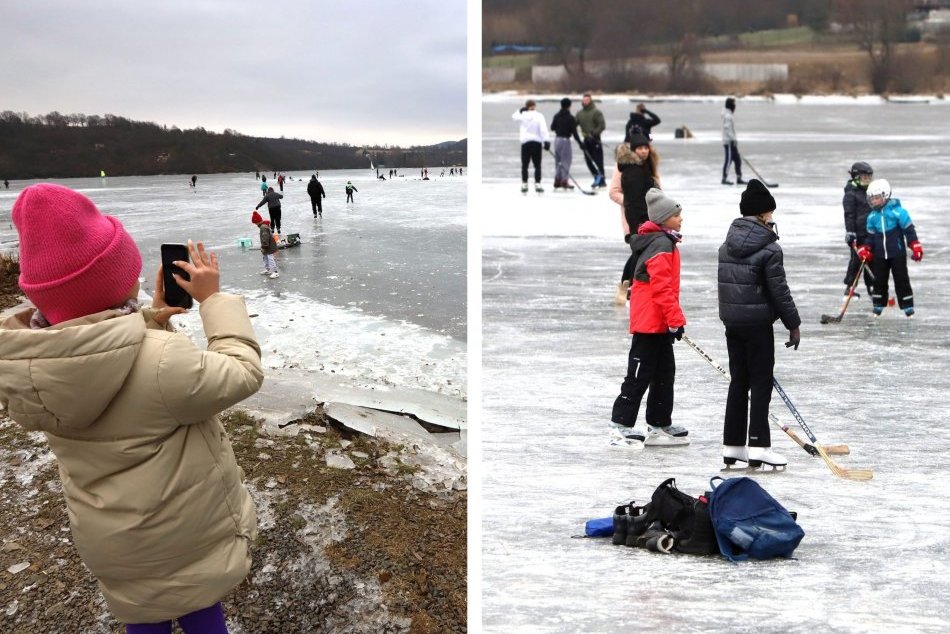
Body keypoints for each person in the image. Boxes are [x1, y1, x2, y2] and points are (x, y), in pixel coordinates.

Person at [0, 184, 262, 634]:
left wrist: (148, 319)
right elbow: (241, 371)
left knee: (143, 616)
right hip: (183, 537)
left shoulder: (33, 363)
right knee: (200, 611)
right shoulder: (162, 360)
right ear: (116, 279)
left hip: (113, 542)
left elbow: (93, 347)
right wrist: (214, 302)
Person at [718, 179, 800, 469]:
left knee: (739, 382)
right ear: (763, 214)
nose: (772, 218)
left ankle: (733, 446)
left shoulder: (726, 245)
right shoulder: (770, 249)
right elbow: (779, 291)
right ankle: (759, 446)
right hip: (757, 326)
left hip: (733, 324)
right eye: (770, 212)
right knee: (761, 383)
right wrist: (793, 323)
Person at [609, 188, 689, 447]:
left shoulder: (665, 241)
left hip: (660, 322)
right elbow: (662, 288)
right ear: (664, 219)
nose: (681, 219)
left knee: (665, 373)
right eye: (677, 215)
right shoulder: (661, 245)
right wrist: (676, 319)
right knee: (639, 374)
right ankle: (620, 426)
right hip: (649, 323)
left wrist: (671, 320)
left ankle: (658, 424)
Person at [857, 179, 923, 317]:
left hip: (897, 253)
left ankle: (907, 306)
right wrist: (865, 249)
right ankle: (878, 305)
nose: (873, 201)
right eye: (871, 198)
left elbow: (909, 231)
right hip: (880, 255)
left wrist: (915, 246)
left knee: (901, 279)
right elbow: (870, 237)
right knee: (879, 280)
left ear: (885, 196)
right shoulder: (872, 217)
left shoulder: (899, 213)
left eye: (876, 198)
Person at [614, 134, 661, 304]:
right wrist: (643, 222)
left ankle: (627, 286)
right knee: (639, 252)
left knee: (639, 252)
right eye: (640, 148)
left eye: (645, 147)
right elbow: (631, 200)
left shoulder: (644, 165)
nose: (644, 151)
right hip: (638, 219)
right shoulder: (632, 170)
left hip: (646, 217)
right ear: (633, 150)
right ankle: (629, 287)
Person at [842, 161, 875, 298]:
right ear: (856, 177)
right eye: (864, 177)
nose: (867, 180)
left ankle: (872, 286)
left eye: (869, 177)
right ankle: (850, 287)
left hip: (871, 232)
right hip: (858, 233)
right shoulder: (851, 193)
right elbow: (849, 215)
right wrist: (850, 232)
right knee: (856, 260)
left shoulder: (871, 192)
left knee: (872, 260)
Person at [511, 99, 550, 194]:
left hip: (526, 143)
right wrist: (546, 141)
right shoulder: (539, 116)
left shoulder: (523, 116)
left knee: (525, 165)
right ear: (535, 106)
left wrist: (520, 110)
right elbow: (543, 129)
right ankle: (538, 183)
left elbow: (514, 117)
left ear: (526, 106)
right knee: (537, 165)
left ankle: (524, 183)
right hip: (536, 143)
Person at [550, 97, 583, 190]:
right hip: (565, 140)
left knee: (558, 161)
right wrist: (580, 143)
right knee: (566, 161)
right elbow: (574, 133)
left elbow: (552, 127)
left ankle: (557, 179)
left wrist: (559, 128)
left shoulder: (557, 116)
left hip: (557, 140)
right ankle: (564, 180)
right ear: (569, 106)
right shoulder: (570, 118)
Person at [576, 93, 606, 188]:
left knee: (598, 161)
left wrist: (593, 133)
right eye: (583, 100)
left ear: (590, 101)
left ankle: (602, 181)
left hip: (595, 139)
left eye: (587, 100)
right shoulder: (580, 113)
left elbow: (602, 125)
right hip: (586, 140)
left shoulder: (596, 112)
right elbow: (573, 124)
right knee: (588, 160)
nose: (585, 102)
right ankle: (596, 176)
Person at [721, 97, 745, 186]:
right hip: (729, 142)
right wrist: (733, 139)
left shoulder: (729, 115)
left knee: (737, 160)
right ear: (731, 105)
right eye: (734, 104)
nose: (735, 106)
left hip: (732, 142)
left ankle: (739, 178)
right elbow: (727, 129)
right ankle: (724, 178)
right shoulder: (727, 116)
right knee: (728, 160)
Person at [252, 210, 280, 278]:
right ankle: (267, 269)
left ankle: (275, 272)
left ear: (257, 221)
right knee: (265, 257)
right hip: (267, 245)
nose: (255, 224)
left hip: (268, 245)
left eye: (255, 223)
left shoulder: (263, 227)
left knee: (270, 258)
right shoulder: (263, 226)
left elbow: (265, 237)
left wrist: (264, 246)